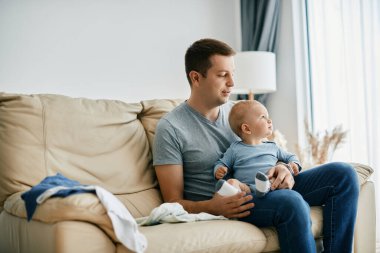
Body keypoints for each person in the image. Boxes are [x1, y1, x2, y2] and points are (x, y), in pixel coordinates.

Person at [153, 38, 359, 253]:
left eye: (233, 73)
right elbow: (172, 202)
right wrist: (211, 207)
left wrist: (283, 167)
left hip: (268, 185)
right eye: (223, 75)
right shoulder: (171, 127)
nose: (232, 83)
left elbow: (266, 148)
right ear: (196, 78)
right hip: (236, 199)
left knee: (344, 174)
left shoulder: (239, 111)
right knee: (291, 201)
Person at [213, 100, 300, 196]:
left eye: (268, 117)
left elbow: (290, 156)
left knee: (272, 180)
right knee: (232, 182)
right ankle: (224, 189)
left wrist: (294, 164)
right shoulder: (235, 149)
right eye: (263, 117)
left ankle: (264, 187)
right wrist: (219, 169)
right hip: (247, 188)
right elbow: (221, 162)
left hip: (271, 184)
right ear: (246, 128)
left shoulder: (272, 146)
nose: (269, 120)